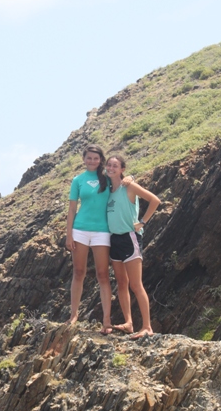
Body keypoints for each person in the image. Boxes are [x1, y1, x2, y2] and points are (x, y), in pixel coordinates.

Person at [105, 155, 160, 339]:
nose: (111, 168)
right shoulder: (107, 190)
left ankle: (147, 327)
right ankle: (129, 323)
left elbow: (154, 200)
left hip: (130, 238)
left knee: (136, 284)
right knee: (122, 283)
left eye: (115, 165)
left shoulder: (129, 186)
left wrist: (142, 222)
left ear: (122, 169)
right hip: (114, 240)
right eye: (109, 165)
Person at [66, 145, 112, 333]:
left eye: (96, 158)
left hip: (102, 231)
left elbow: (125, 183)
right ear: (84, 159)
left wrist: (130, 179)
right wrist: (69, 234)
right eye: (89, 158)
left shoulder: (108, 178)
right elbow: (72, 209)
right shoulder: (78, 180)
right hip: (80, 230)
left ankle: (107, 320)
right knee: (78, 272)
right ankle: (73, 315)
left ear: (101, 160)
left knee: (103, 275)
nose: (92, 161)